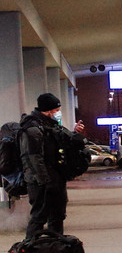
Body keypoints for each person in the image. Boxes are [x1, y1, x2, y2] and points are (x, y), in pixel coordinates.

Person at [18, 92, 86, 240]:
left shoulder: (51, 125)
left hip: (55, 179)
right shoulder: (32, 128)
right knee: (39, 217)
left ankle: (55, 250)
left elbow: (64, 143)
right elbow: (34, 157)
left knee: (57, 216)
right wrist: (45, 181)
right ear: (48, 110)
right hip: (41, 182)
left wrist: (74, 133)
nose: (58, 113)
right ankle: (30, 251)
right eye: (56, 110)